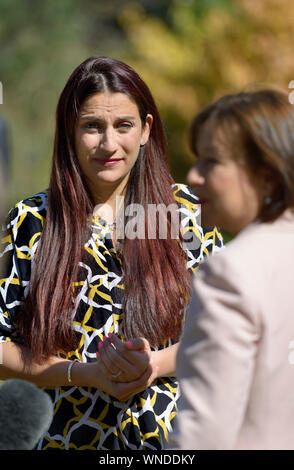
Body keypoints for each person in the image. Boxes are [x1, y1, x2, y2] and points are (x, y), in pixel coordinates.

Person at [0, 56, 223, 450]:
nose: (108, 144)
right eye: (91, 126)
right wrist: (85, 373)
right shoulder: (32, 220)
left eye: (123, 125)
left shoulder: (185, 214)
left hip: (171, 444)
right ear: (70, 131)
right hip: (62, 439)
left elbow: (222, 331)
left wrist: (153, 365)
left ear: (145, 130)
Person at [168, 89, 294, 450]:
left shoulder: (230, 272)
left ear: (267, 173)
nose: (193, 175)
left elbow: (203, 437)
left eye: (211, 161)